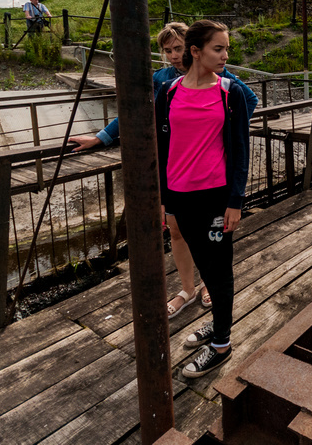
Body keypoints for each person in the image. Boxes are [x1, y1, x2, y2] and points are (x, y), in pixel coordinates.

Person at [68, 22, 257, 314]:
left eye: (178, 48)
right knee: (177, 232)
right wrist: (101, 137)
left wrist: (225, 130)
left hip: (209, 179)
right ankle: (187, 288)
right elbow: (139, 115)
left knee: (213, 239)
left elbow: (249, 101)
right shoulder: (164, 82)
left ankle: (209, 284)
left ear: (192, 49)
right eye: (167, 50)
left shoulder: (222, 78)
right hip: (177, 177)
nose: (172, 55)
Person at [156, 19, 249, 378]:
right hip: (180, 195)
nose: (226, 55)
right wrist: (165, 200)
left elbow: (241, 149)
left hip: (215, 197)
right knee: (200, 261)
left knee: (218, 271)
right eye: (219, 48)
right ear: (196, 52)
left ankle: (222, 344)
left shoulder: (230, 92)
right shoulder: (169, 92)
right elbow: (164, 148)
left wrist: (235, 201)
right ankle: (218, 323)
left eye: (226, 48)